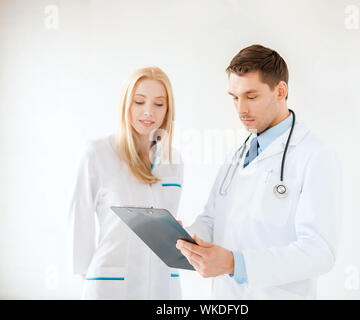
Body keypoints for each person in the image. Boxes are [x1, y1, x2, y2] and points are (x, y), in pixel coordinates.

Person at [176, 44, 342, 299]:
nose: (241, 109)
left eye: (251, 97)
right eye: (234, 97)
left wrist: (235, 264)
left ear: (280, 91)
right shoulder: (237, 155)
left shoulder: (314, 155)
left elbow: (320, 252)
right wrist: (187, 239)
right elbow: (211, 220)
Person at [68, 67, 183, 299]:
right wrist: (87, 275)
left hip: (163, 284)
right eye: (139, 101)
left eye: (159, 104)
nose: (148, 112)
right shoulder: (97, 153)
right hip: (110, 284)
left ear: (168, 110)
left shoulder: (174, 160)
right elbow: (79, 217)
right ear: (125, 104)